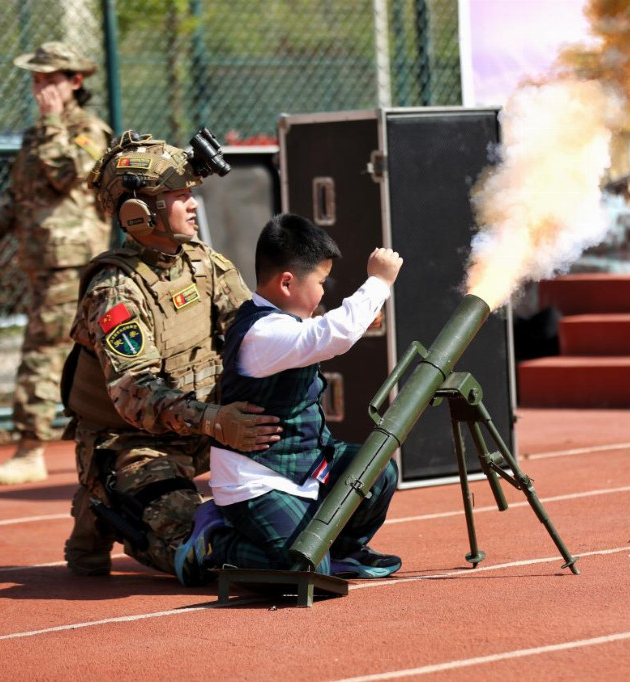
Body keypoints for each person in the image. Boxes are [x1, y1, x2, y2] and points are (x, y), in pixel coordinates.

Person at [62, 129, 282, 578]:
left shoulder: (204, 264)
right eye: (180, 196)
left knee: (304, 507)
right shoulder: (116, 291)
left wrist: (325, 327)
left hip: (205, 431)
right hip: (134, 443)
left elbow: (257, 336)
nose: (193, 205)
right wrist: (215, 420)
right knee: (206, 550)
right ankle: (104, 498)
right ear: (139, 213)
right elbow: (134, 393)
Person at [173, 213, 404, 586]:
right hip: (257, 483)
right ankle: (218, 542)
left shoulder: (285, 325)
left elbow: (327, 333)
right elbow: (335, 335)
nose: (324, 292)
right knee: (306, 571)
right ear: (286, 282)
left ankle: (341, 550)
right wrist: (378, 281)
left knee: (377, 468)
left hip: (306, 467)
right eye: (321, 282)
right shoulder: (263, 333)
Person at [0, 41, 113, 485]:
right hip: (41, 259)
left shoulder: (88, 128)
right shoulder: (37, 133)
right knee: (73, 352)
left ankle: (30, 449)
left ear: (75, 82)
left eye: (51, 80)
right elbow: (17, 196)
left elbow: (66, 175)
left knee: (41, 352)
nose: (41, 89)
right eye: (37, 80)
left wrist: (50, 122)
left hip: (70, 261)